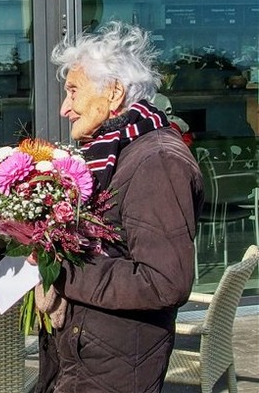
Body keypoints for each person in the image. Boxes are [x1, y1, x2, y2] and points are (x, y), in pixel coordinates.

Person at [34, 21, 204, 393]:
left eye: (73, 91)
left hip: (115, 365)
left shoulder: (156, 160)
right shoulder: (112, 152)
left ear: (113, 93)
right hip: (84, 354)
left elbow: (164, 282)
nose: (65, 108)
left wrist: (60, 272)